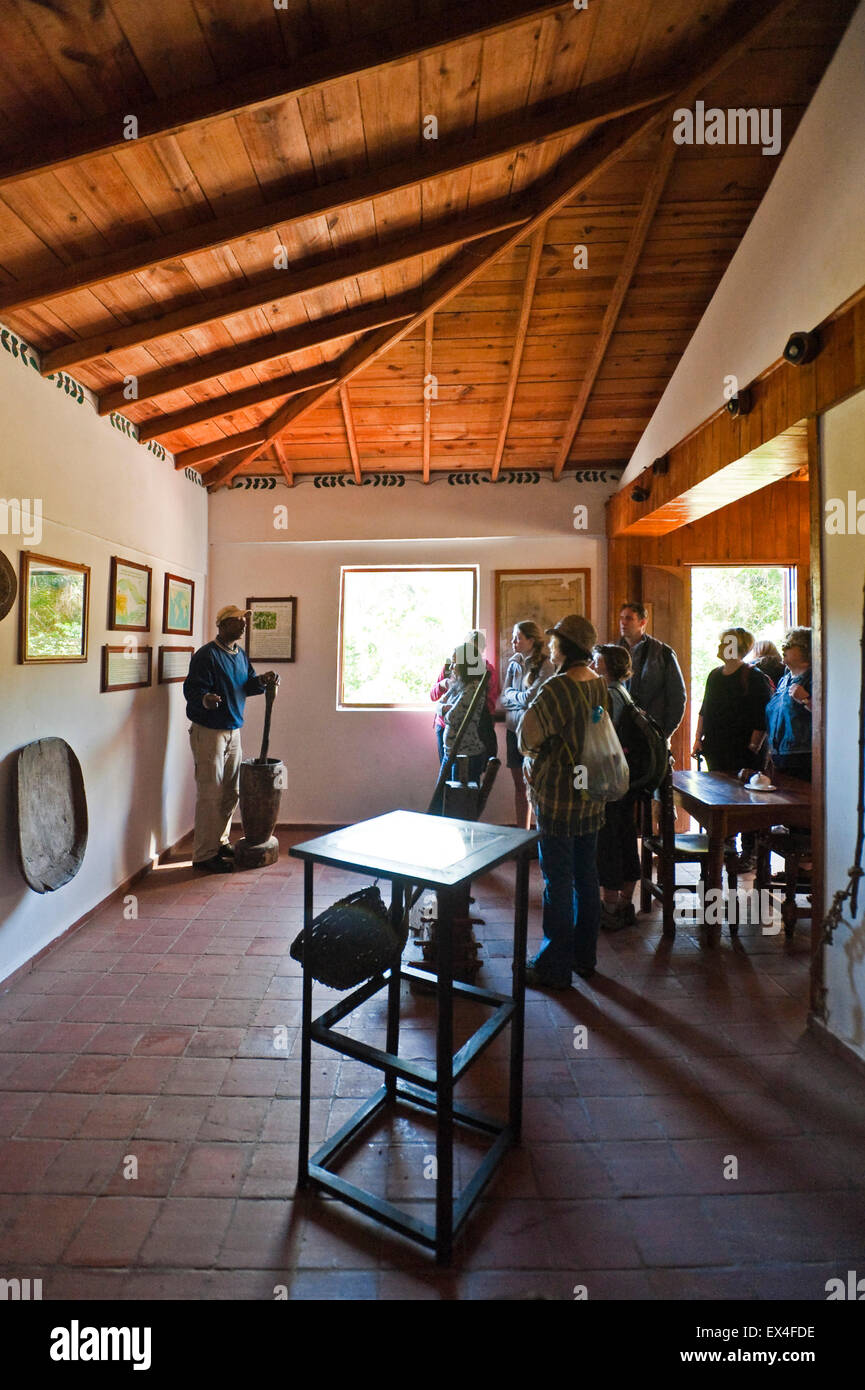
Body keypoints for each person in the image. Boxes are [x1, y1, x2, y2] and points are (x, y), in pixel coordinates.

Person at [519, 614, 608, 989]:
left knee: (557, 880)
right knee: (586, 877)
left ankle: (553, 966)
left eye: (555, 642)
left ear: (565, 647)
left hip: (557, 796)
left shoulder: (556, 688)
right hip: (591, 794)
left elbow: (527, 738)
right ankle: (584, 958)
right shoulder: (599, 685)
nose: (551, 647)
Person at [183, 605, 279, 872]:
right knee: (210, 793)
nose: (243, 625)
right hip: (209, 732)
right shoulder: (207, 655)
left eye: (244, 621)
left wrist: (263, 680)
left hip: (233, 730)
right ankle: (204, 855)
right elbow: (192, 689)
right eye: (238, 621)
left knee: (230, 792)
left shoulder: (239, 654)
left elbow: (247, 685)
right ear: (222, 625)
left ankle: (219, 841)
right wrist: (205, 699)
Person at [592, 644, 640, 931]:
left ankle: (609, 906)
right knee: (625, 835)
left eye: (597, 660)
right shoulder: (624, 691)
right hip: (626, 776)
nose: (593, 664)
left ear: (606, 665)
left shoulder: (607, 696)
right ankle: (625, 902)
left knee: (608, 840)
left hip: (610, 777)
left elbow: (598, 735)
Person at [691, 627, 771, 774]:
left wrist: (752, 750)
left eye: (724, 643)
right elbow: (704, 710)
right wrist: (698, 739)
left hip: (741, 752)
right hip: (715, 749)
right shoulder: (714, 675)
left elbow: (761, 717)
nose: (720, 646)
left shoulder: (754, 676)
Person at [500, 620, 555, 827]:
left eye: (518, 637)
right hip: (514, 730)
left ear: (531, 640)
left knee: (535, 784)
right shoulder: (514, 662)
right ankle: (522, 834)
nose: (514, 641)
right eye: (514, 637)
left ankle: (539, 831)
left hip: (533, 732)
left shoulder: (546, 665)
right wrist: (517, 697)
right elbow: (504, 698)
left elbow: (532, 698)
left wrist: (515, 697)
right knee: (518, 786)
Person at [429, 628, 499, 767]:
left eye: (476, 647)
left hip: (471, 732)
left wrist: (457, 710)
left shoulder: (486, 672)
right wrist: (443, 685)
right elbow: (434, 696)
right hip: (444, 727)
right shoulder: (451, 668)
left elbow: (489, 703)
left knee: (466, 775)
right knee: (447, 775)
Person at [617, 601, 687, 739]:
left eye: (629, 618)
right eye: (622, 618)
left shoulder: (662, 653)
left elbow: (677, 696)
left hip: (652, 731)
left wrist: (664, 733)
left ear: (642, 622)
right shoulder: (613, 652)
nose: (623, 623)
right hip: (620, 732)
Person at [440, 637, 497, 787]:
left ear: (465, 663)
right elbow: (439, 705)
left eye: (455, 662)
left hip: (465, 755)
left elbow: (453, 717)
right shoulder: (458, 684)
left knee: (459, 803)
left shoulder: (473, 687)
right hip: (451, 751)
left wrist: (445, 709)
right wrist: (444, 708)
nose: (451, 667)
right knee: (444, 799)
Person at [765, 627, 813, 781]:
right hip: (780, 755)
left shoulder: (816, 678)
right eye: (784, 644)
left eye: (791, 645)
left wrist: (806, 699)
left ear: (807, 650)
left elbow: (830, 716)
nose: (784, 648)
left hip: (803, 757)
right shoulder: (784, 680)